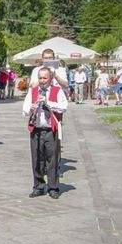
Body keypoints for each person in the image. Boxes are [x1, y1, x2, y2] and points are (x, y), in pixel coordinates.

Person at [22, 67, 68, 199]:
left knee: (52, 159)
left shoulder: (57, 91)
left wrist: (48, 103)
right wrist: (30, 109)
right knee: (36, 159)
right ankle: (38, 186)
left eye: (45, 78)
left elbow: (64, 107)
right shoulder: (32, 91)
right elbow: (24, 111)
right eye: (40, 78)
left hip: (50, 129)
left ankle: (53, 187)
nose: (42, 81)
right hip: (36, 129)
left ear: (50, 78)